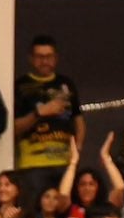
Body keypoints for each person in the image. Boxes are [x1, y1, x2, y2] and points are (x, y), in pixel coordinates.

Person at [14, 35, 83, 202]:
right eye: (39, 57)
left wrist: (77, 150)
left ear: (56, 58)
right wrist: (39, 113)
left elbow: (78, 121)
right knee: (34, 212)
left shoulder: (66, 83)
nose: (44, 61)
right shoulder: (20, 85)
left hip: (64, 162)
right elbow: (14, 128)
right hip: (32, 165)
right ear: (31, 59)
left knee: (65, 210)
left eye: (49, 57)